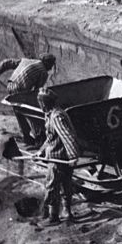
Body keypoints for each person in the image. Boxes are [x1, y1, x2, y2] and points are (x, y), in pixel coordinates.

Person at [36, 88, 80, 224]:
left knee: (52, 187)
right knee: (65, 186)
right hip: (60, 157)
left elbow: (67, 136)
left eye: (40, 103)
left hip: (59, 159)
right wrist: (41, 151)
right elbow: (51, 138)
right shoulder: (52, 114)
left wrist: (73, 156)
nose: (40, 105)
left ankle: (53, 217)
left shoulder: (56, 117)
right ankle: (67, 214)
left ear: (44, 103)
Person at [0, 53, 56, 147]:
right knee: (32, 110)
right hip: (21, 89)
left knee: (19, 111)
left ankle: (26, 137)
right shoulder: (43, 72)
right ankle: (38, 138)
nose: (51, 67)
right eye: (51, 65)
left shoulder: (26, 61)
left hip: (11, 86)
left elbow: (7, 63)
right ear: (48, 64)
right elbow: (37, 91)